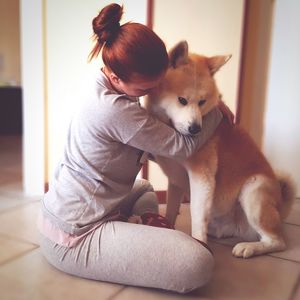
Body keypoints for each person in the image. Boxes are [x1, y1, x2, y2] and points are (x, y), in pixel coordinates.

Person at [38, 3, 227, 294]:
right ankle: (136, 234)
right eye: (144, 89)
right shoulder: (115, 111)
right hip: (75, 234)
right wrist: (216, 110)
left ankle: (137, 229)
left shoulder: (101, 80)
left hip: (65, 209)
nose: (153, 93)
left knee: (144, 187)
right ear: (117, 78)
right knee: (198, 262)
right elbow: (180, 147)